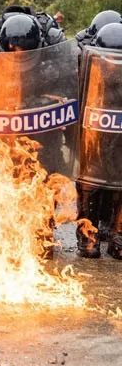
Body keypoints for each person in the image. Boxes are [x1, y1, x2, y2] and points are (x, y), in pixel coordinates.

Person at [78, 22, 122, 259]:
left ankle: (118, 237)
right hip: (94, 139)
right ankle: (88, 235)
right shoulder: (87, 66)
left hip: (119, 143)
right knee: (89, 185)